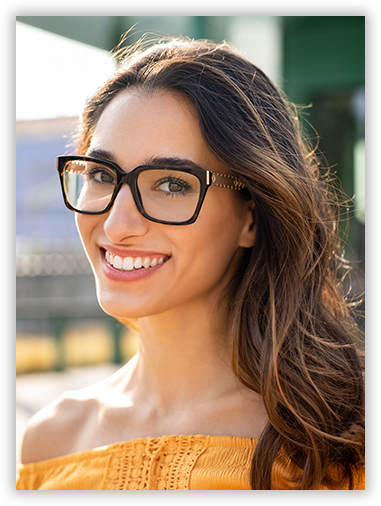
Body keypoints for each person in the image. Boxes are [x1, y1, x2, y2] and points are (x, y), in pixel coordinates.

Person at [17, 37, 365, 490]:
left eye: (172, 185)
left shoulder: (340, 434)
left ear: (251, 217)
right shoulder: (51, 443)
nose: (118, 224)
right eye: (102, 175)